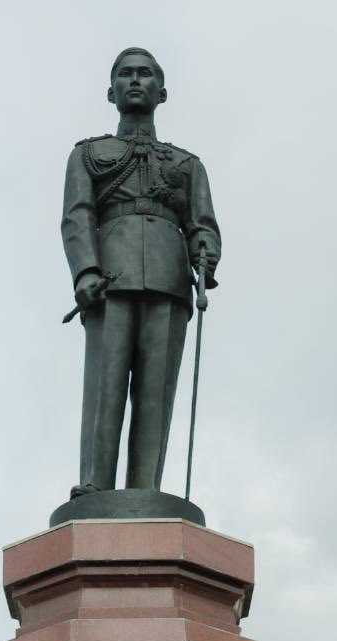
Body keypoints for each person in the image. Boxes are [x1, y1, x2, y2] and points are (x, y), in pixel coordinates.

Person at [61, 47, 221, 496]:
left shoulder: (187, 165)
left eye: (146, 74)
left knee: (156, 394)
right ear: (110, 91)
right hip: (109, 278)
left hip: (169, 282)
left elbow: (202, 223)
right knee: (105, 386)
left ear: (162, 91)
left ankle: (145, 490)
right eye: (126, 74)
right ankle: (94, 482)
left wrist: (206, 254)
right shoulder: (88, 155)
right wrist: (85, 271)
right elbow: (77, 216)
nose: (136, 81)